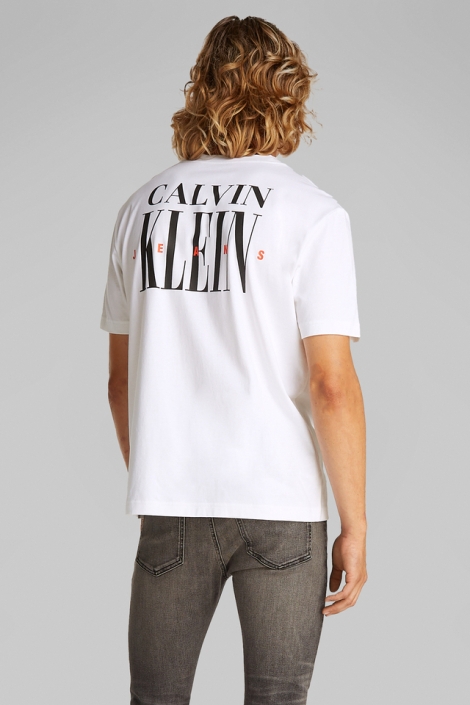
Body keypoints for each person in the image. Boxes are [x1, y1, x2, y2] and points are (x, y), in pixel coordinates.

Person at [100, 15, 367, 705]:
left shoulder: (141, 209)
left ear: (201, 88)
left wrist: (161, 475)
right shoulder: (313, 214)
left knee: (154, 699)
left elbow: (120, 383)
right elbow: (331, 385)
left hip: (173, 498)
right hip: (281, 501)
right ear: (290, 93)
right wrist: (356, 524)